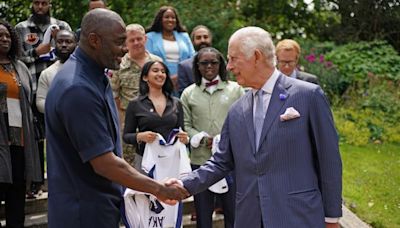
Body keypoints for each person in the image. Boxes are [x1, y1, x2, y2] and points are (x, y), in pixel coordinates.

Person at [170, 26, 343, 228]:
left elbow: (329, 159)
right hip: (249, 217)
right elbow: (220, 162)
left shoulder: (308, 96)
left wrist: (332, 218)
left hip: (298, 216)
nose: (229, 67)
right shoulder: (237, 109)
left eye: (234, 59)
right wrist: (183, 185)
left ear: (257, 56)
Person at [45, 9, 188, 228]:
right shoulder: (77, 88)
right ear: (94, 40)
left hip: (100, 206)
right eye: (120, 42)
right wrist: (158, 189)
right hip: (83, 214)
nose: (125, 48)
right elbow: (104, 163)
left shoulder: (95, 76)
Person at [180, 47, 244, 228]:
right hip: (201, 161)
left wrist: (224, 140)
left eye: (213, 62)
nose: (209, 66)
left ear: (221, 65)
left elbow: (246, 122)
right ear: (197, 66)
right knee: (203, 213)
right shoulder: (188, 93)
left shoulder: (236, 90)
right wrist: (200, 137)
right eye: (204, 63)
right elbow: (186, 125)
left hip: (231, 160)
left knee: (233, 212)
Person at [15, 0, 72, 197]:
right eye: (37, 3)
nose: (41, 7)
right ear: (32, 4)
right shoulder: (21, 28)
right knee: (35, 137)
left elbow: (71, 54)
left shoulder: (62, 26)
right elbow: (13, 57)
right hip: (31, 89)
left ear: (50, 4)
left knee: (63, 136)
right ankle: (35, 182)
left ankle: (64, 179)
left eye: (44, 3)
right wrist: (36, 53)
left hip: (59, 90)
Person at [0, 19, 41, 228]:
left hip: (18, 142)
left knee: (16, 199)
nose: (4, 39)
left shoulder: (21, 67)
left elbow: (29, 103)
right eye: (0, 36)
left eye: (7, 35)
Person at [123, 60, 189, 173]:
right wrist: (140, 136)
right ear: (145, 77)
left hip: (172, 161)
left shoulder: (176, 103)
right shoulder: (135, 104)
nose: (160, 74)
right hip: (146, 161)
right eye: (155, 71)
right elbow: (126, 136)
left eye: (163, 72)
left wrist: (185, 138)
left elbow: (182, 131)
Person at [110, 24, 161, 165]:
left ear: (145, 39)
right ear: (126, 42)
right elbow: (114, 96)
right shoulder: (118, 65)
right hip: (129, 126)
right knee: (129, 166)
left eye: (139, 39)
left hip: (154, 122)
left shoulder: (157, 62)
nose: (136, 43)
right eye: (132, 40)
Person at [145, 6, 195, 95]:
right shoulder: (150, 37)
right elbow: (147, 59)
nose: (170, 20)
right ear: (160, 19)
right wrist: (167, 77)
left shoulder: (184, 36)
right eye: (167, 17)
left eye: (173, 17)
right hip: (159, 79)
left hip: (183, 79)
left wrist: (178, 76)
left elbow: (192, 57)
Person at [36, 30, 77, 113]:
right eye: (60, 42)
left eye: (68, 42)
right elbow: (40, 102)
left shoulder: (87, 68)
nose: (64, 45)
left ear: (76, 45)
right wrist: (61, 109)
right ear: (54, 44)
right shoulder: (47, 73)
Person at [178, 25, 212, 95]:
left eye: (205, 37)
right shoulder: (184, 66)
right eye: (198, 38)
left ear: (210, 39)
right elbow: (183, 94)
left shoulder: (221, 62)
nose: (202, 40)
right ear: (192, 42)